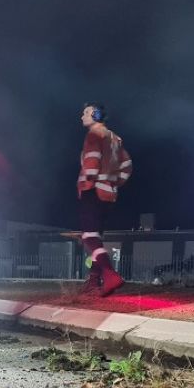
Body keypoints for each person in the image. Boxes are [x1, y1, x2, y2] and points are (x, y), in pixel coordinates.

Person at [77, 102, 132, 296]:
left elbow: (92, 158)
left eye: (85, 113)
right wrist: (115, 183)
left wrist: (89, 180)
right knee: (96, 238)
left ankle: (109, 275)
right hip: (109, 194)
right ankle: (94, 280)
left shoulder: (94, 134)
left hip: (93, 191)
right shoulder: (115, 138)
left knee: (89, 237)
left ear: (95, 115)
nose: (81, 116)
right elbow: (126, 164)